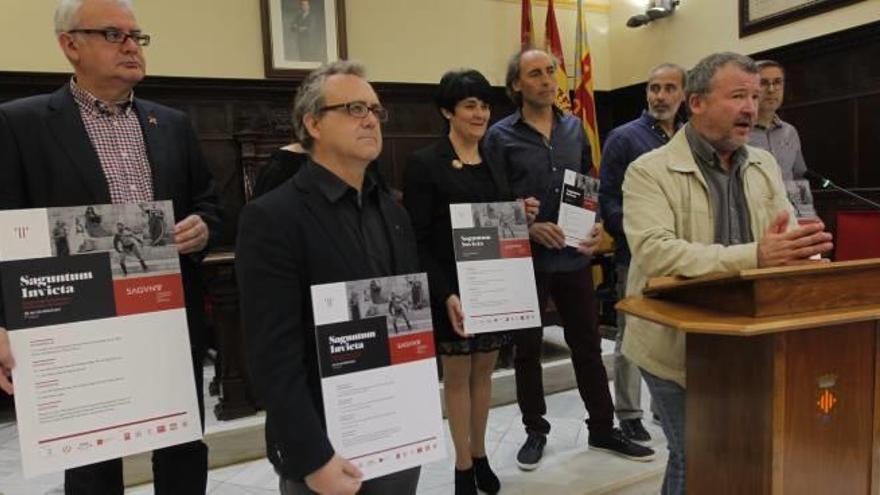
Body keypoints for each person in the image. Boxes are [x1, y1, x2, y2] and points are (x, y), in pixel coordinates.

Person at [0, 0, 221, 493]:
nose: (131, 47)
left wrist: (203, 228)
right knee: (92, 460)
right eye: (114, 34)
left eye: (136, 37)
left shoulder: (172, 123)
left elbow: (208, 202)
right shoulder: (20, 124)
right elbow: (4, 227)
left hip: (164, 312)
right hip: (77, 319)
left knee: (183, 445)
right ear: (70, 45)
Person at [622, 52, 834, 495]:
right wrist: (756, 255)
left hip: (746, 340)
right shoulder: (648, 171)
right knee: (695, 456)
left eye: (755, 97)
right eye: (738, 96)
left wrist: (807, 260)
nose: (751, 108)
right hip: (673, 348)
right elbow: (657, 253)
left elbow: (782, 236)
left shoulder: (764, 164)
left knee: (731, 451)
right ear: (697, 103)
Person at [237, 60, 421, 495]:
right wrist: (311, 457)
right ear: (313, 123)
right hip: (323, 443)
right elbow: (271, 354)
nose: (371, 119)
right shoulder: (272, 217)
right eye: (354, 108)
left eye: (375, 109)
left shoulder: (394, 212)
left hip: (394, 427)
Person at [483, 49, 655, 471]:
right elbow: (489, 202)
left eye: (550, 72)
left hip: (572, 257)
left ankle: (602, 427)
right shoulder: (499, 136)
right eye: (535, 74)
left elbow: (586, 185)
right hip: (524, 260)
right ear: (516, 85)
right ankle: (535, 430)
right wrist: (527, 228)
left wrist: (595, 226)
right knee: (527, 351)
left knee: (588, 346)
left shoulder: (575, 128)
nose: (547, 80)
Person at [403, 69, 538, 495]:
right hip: (452, 291)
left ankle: (480, 454)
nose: (480, 114)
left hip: (492, 285)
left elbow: (496, 219)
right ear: (448, 111)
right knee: (458, 376)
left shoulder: (495, 158)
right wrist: (444, 293)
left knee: (485, 373)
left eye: (484, 105)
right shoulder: (425, 163)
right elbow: (417, 238)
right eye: (469, 106)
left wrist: (519, 213)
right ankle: (462, 465)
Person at [599, 62, 687, 442]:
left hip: (682, 255)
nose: (660, 96)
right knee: (631, 333)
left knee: (673, 332)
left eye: (669, 88)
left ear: (684, 95)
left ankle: (662, 407)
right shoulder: (624, 138)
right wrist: (638, 233)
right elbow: (607, 199)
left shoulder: (690, 138)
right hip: (636, 255)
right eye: (654, 88)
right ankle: (629, 412)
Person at [749, 59, 808, 183]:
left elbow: (799, 176)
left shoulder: (790, 132)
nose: (771, 89)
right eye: (763, 83)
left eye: (777, 82)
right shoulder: (737, 131)